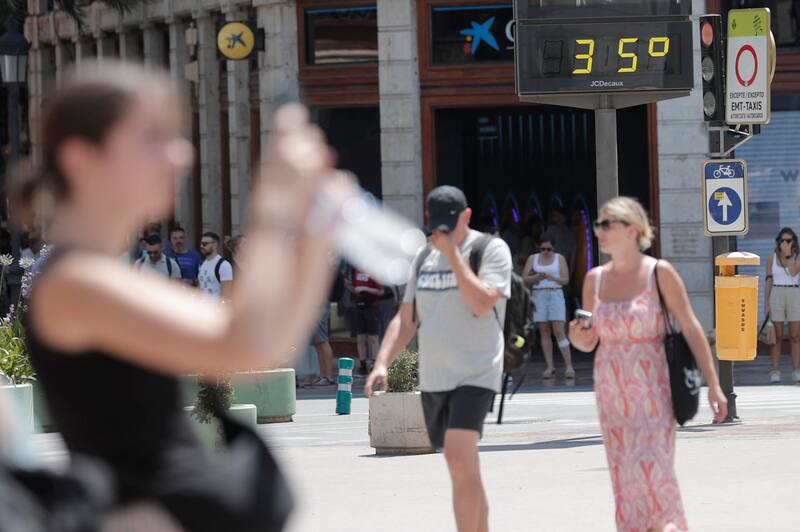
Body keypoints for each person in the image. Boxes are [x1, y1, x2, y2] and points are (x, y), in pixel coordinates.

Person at [17, 61, 351, 531]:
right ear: (80, 157)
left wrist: (316, 228)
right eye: (153, 138)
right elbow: (246, 343)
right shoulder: (76, 281)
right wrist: (275, 209)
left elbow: (269, 345)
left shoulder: (95, 274)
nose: (181, 155)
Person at [569, 197, 727, 532]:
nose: (598, 231)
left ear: (633, 230)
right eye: (598, 224)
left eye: (607, 224)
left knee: (654, 474)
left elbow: (691, 327)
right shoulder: (594, 280)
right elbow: (590, 341)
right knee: (625, 480)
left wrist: (713, 383)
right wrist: (576, 337)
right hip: (612, 394)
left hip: (653, 391)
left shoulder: (659, 273)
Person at [366, 185, 512, 532]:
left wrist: (453, 257)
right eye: (438, 223)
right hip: (435, 377)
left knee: (460, 460)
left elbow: (481, 303)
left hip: (477, 371)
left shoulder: (491, 249)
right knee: (463, 467)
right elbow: (406, 319)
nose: (443, 230)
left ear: (467, 216)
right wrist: (382, 362)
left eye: (451, 222)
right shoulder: (423, 258)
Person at [522, 234, 575, 379]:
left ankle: (569, 366)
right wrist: (535, 277)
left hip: (555, 293)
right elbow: (524, 278)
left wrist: (552, 278)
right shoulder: (533, 258)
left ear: (553, 247)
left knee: (559, 330)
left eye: (548, 249)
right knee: (544, 330)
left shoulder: (559, 258)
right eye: (543, 249)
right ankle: (550, 366)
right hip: (539, 294)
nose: (545, 251)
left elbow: (565, 280)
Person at [764, 227, 800, 383]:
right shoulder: (771, 258)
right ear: (778, 242)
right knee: (777, 337)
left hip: (794, 293)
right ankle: (775, 370)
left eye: (789, 240)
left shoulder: (797, 256)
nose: (785, 243)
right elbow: (768, 280)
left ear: (794, 241)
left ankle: (796, 370)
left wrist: (788, 254)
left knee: (794, 336)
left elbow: (793, 272)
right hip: (776, 293)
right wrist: (766, 303)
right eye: (782, 240)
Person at [347, 266, 383, 376]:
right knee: (360, 338)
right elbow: (355, 289)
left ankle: (375, 364)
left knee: (373, 338)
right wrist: (349, 287)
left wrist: (365, 289)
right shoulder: (356, 270)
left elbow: (381, 291)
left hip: (371, 307)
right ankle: (362, 365)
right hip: (359, 306)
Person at [198, 231, 233, 300]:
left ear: (215, 245)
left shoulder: (224, 265)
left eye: (205, 244)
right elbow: (200, 288)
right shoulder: (202, 264)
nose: (201, 246)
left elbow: (226, 294)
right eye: (201, 243)